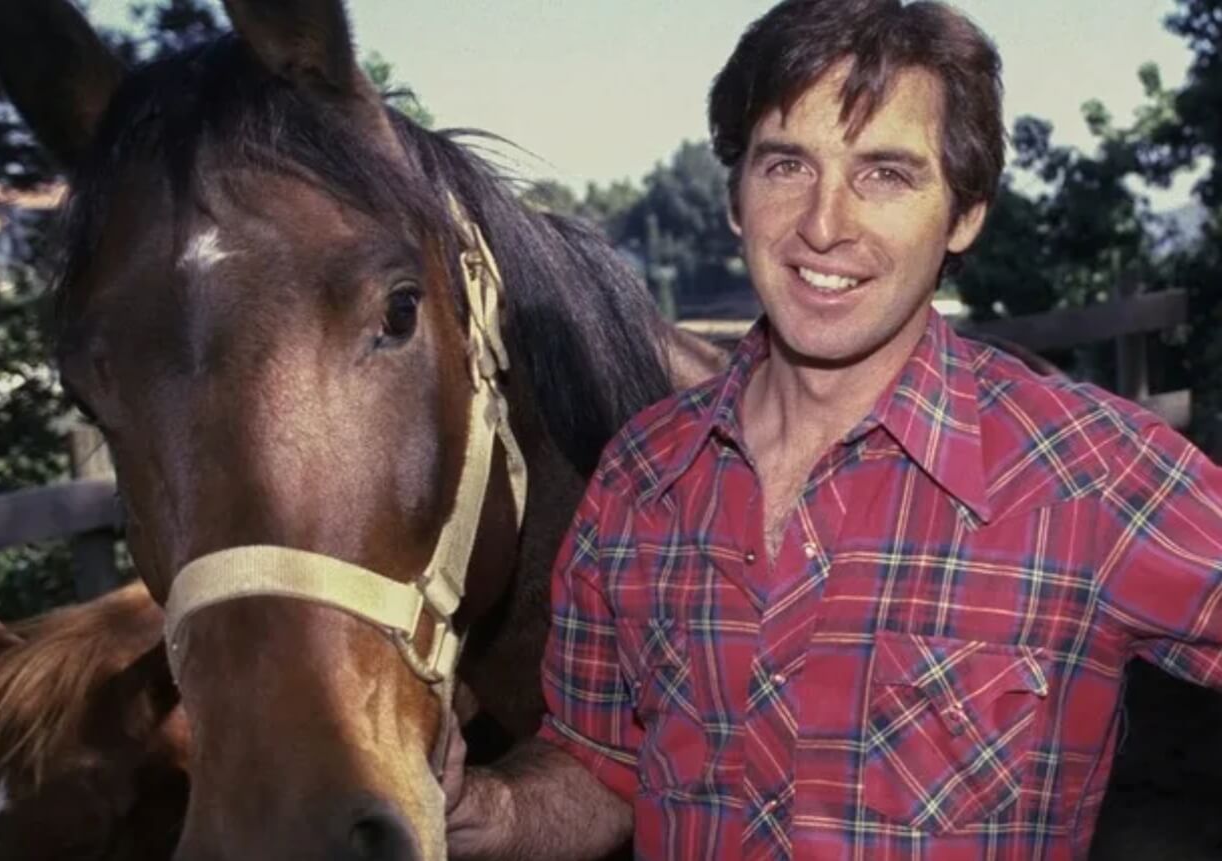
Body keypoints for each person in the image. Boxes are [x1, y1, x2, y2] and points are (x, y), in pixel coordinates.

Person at [444, 0, 1222, 858]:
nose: (824, 224)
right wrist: (488, 808)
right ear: (737, 196)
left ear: (963, 216)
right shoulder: (642, 475)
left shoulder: (1091, 474)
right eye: (786, 165)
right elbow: (602, 763)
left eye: (886, 173)